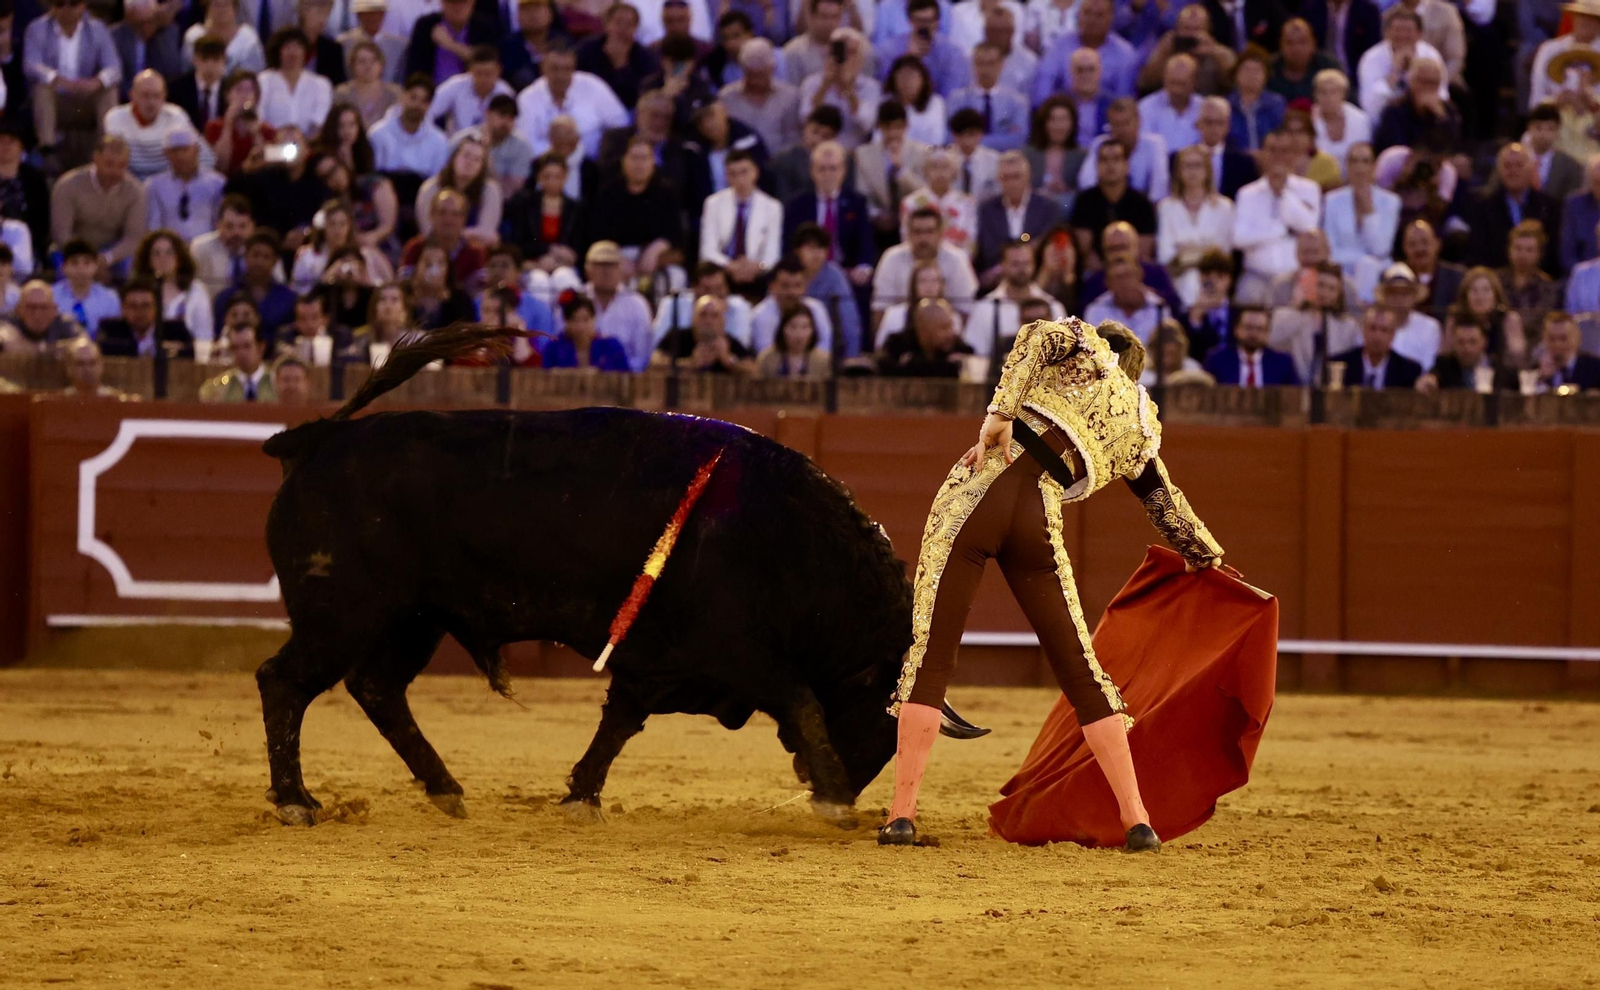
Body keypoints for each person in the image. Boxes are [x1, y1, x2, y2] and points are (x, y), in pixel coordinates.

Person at [880, 313, 1221, 852]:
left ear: (1103, 346)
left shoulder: (1081, 346)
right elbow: (1164, 503)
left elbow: (1038, 334)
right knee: (1082, 669)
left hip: (980, 490)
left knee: (932, 656)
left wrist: (999, 414)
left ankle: (901, 817)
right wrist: (1206, 555)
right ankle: (1138, 822)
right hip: (1039, 519)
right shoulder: (1138, 424)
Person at [1232, 128, 1322, 305]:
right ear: (1262, 154)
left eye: (1284, 151)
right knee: (1245, 297)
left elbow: (1309, 229)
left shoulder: (1309, 189)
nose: (1278, 156)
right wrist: (1280, 231)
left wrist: (1284, 192)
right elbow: (1239, 239)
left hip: (1295, 275)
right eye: (1272, 150)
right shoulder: (1247, 193)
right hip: (1257, 275)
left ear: (1294, 155)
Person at [24, 0, 123, 157]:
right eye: (60, 4)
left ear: (83, 5)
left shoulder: (97, 28)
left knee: (109, 90)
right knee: (42, 89)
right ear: (52, 7)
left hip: (86, 99)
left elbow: (114, 67)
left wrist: (96, 82)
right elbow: (31, 64)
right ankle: (47, 149)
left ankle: (107, 149)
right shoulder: (37, 28)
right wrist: (58, 80)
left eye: (73, 4)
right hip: (57, 100)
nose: (67, 9)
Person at [50, 136, 147, 272]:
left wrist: (107, 259)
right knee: (62, 264)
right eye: (109, 164)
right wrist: (85, 260)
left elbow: (133, 238)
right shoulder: (67, 185)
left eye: (121, 166)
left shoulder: (135, 191)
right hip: (73, 249)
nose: (115, 171)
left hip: (113, 252)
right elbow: (61, 233)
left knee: (130, 264)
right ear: (95, 158)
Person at [516, 44, 631, 159]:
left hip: (594, 162)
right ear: (543, 68)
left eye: (567, 69)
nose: (561, 76)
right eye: (555, 68)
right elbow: (526, 143)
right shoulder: (527, 98)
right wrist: (561, 151)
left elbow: (620, 124)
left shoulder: (593, 86)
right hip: (547, 163)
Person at [1158, 145, 1234, 307]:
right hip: (1178, 282)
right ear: (1178, 171)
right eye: (1187, 166)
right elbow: (1165, 256)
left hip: (1214, 281)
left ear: (1207, 170)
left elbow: (1223, 255)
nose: (1192, 171)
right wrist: (1206, 248)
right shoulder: (1166, 207)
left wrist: (1184, 251)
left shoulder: (1224, 207)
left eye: (1198, 165)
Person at [964, 239, 1066, 357]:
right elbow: (974, 355)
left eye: (1026, 263)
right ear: (1003, 265)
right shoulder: (985, 308)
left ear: (1034, 264)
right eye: (1015, 264)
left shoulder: (1053, 307)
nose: (1022, 269)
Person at [873, 205, 979, 317]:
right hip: (903, 324)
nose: (923, 238)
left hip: (947, 323)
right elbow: (880, 308)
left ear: (940, 234)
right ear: (908, 234)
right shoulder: (892, 258)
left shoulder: (957, 259)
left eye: (929, 231)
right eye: (917, 232)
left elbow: (966, 309)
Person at [1322, 142, 1398, 295]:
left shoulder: (1390, 201)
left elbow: (1381, 249)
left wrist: (1369, 211)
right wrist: (1360, 260)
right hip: (1341, 267)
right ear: (1347, 166)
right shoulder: (1332, 200)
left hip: (1377, 270)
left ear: (1373, 167)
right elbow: (1330, 247)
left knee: (1368, 266)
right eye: (1354, 161)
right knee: (1365, 264)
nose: (1359, 167)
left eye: (1365, 161)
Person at [1268, 260, 1361, 384]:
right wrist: (1301, 308)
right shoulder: (1285, 315)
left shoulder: (1348, 326)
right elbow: (1271, 341)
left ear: (1338, 295)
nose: (1325, 293)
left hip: (1332, 388)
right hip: (1292, 387)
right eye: (1320, 285)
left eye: (1332, 288)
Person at [1068, 140, 1157, 270]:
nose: (1110, 165)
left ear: (1126, 165)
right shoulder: (1085, 201)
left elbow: (1143, 251)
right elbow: (1084, 251)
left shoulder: (1142, 203)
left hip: (1132, 270)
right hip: (1096, 271)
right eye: (1104, 160)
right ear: (1097, 166)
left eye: (1116, 159)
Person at [103, 71, 202, 182]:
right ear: (132, 95)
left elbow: (204, 156)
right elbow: (115, 160)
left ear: (164, 96)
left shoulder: (176, 116)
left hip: (169, 184)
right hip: (128, 184)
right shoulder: (115, 117)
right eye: (145, 95)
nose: (151, 102)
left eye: (157, 96)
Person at [973, 151, 1060, 278]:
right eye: (1005, 178)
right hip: (997, 277)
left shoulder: (1048, 207)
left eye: (1016, 176)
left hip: (1038, 276)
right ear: (998, 179)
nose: (1011, 183)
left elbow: (1046, 244)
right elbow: (988, 250)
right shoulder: (986, 209)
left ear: (1028, 176)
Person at [1033, 0, 1137, 104]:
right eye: (1087, 12)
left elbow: (1124, 100)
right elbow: (1043, 87)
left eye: (1099, 15)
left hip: (1106, 112)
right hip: (1063, 110)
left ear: (1111, 18)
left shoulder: (1125, 54)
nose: (1092, 19)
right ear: (1078, 15)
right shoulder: (1060, 45)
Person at [699, 148, 782, 279]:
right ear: (726, 176)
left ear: (755, 172)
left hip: (757, 273)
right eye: (733, 174)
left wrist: (758, 266)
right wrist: (731, 266)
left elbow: (772, 255)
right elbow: (708, 250)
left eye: (744, 172)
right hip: (722, 271)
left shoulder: (772, 207)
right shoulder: (713, 203)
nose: (739, 179)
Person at [1356, 6, 1447, 121]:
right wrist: (1395, 72)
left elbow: (1442, 95)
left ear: (1419, 34)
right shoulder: (1371, 58)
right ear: (1386, 33)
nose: (1402, 35)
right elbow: (1369, 105)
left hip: (1425, 115)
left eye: (1408, 30)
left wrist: (1415, 69)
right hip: (1386, 120)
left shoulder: (1430, 54)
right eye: (1398, 30)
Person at [799, 27, 880, 149]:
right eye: (841, 51)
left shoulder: (871, 87)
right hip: (818, 151)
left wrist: (849, 89)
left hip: (853, 153)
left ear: (861, 59)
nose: (846, 57)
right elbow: (805, 118)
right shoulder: (812, 83)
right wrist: (825, 85)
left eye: (851, 52)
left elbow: (867, 124)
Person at [720, 37, 803, 156]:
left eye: (760, 75)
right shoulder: (727, 97)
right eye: (751, 75)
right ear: (742, 69)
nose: (755, 81)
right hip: (739, 162)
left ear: (772, 69)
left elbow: (793, 140)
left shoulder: (790, 97)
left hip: (780, 162)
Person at [1075, 98, 1170, 202]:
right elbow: (1086, 181)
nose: (1122, 129)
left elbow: (1160, 186)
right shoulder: (1100, 144)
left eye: (1126, 123)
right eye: (1116, 124)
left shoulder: (1154, 144)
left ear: (1138, 122)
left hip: (1144, 206)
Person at [417, 135, 504, 247]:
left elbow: (487, 233)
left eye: (477, 159)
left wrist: (452, 234)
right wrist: (470, 235)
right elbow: (428, 230)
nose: (470, 162)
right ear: (454, 157)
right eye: (466, 155)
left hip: (474, 249)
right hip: (435, 248)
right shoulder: (431, 188)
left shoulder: (490, 190)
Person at [582, 239, 655, 370]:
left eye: (612, 265)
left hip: (625, 376)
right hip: (578, 375)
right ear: (587, 270)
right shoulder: (576, 299)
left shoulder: (637, 304)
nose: (606, 271)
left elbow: (642, 355)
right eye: (600, 265)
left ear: (621, 269)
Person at [144, 129, 227, 245]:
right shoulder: (154, 185)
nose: (180, 156)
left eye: (185, 149)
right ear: (166, 154)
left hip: (207, 247)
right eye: (175, 151)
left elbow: (220, 222)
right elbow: (154, 226)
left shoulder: (216, 183)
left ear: (197, 150)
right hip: (170, 248)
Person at [502, 151, 581, 270]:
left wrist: (559, 260)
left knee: (563, 277)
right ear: (539, 177)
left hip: (563, 265)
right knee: (538, 279)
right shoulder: (525, 203)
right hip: (531, 263)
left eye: (557, 176)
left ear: (565, 177)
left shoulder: (575, 209)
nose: (552, 181)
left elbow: (578, 247)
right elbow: (519, 242)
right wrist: (549, 250)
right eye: (547, 176)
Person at [1137, 3, 1237, 95]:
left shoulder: (1218, 52)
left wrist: (1215, 53)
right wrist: (1163, 53)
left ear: (1207, 30)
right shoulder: (1167, 49)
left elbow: (1234, 84)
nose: (1191, 34)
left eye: (1197, 29)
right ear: (1177, 29)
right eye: (1186, 28)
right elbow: (1145, 83)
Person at [874, 0, 968, 97]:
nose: (924, 26)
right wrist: (909, 59)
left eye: (929, 21)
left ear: (937, 22)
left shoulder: (952, 53)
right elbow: (886, 90)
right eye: (919, 21)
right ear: (910, 21)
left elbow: (950, 94)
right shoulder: (889, 50)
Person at [946, 42, 1028, 152]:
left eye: (991, 63)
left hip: (1004, 158)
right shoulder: (957, 99)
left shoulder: (1017, 101)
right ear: (973, 64)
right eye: (980, 63)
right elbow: (950, 136)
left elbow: (1018, 139)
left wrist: (972, 141)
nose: (985, 69)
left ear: (1001, 65)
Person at [134, 231, 214, 346]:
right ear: (148, 260)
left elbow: (204, 337)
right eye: (156, 253)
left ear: (179, 258)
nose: (163, 258)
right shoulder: (137, 292)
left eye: (169, 252)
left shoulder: (196, 291)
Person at [369, 74, 453, 182]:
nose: (417, 105)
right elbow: (372, 178)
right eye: (413, 97)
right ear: (402, 97)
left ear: (429, 105)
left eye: (424, 101)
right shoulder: (378, 134)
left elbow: (436, 183)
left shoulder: (439, 142)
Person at [449, 95, 536, 197]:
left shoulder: (522, 147)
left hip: (498, 201)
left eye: (511, 118)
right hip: (457, 195)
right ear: (488, 113)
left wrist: (486, 155)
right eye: (502, 114)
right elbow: (446, 176)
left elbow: (510, 192)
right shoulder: (461, 140)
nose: (506, 122)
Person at [651, 293, 756, 373]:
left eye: (714, 316)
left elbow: (754, 371)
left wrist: (729, 361)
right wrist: (690, 363)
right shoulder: (677, 337)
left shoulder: (730, 343)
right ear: (693, 318)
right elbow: (654, 362)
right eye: (703, 315)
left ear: (723, 322)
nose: (708, 321)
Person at [899, 147, 976, 255]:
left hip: (957, 260)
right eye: (934, 167)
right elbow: (906, 240)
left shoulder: (967, 203)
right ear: (925, 171)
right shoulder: (911, 203)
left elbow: (970, 243)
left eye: (945, 167)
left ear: (954, 171)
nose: (940, 173)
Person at [97, 276, 196, 359]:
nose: (139, 311)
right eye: (133, 306)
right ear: (123, 309)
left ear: (156, 308)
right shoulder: (110, 330)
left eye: (146, 305)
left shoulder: (176, 330)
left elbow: (190, 352)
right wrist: (154, 348)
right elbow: (102, 349)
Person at [750, 255, 833, 352]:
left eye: (797, 285)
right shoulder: (761, 315)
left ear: (805, 286)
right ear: (772, 287)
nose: (792, 292)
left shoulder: (816, 309)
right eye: (785, 286)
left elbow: (825, 348)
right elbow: (766, 355)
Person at [258, 27, 333, 133]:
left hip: (308, 142)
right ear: (278, 51)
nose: (293, 52)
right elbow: (259, 117)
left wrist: (302, 140)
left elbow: (319, 122)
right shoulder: (263, 80)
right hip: (271, 140)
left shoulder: (321, 84)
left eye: (298, 46)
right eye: (287, 47)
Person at [1330, 302, 1422, 389]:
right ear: (1363, 330)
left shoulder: (1408, 371)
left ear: (1392, 335)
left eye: (1384, 330)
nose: (1377, 336)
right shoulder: (1339, 364)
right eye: (1372, 328)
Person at [407, 0, 499, 86]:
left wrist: (450, 44)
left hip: (473, 91)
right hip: (432, 91)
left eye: (463, 2)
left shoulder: (485, 27)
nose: (457, 7)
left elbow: (488, 63)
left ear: (472, 2)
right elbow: (414, 68)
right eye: (452, 2)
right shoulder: (426, 26)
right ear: (442, 2)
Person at [1202, 305, 1298, 386]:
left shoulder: (1283, 363)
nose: (1253, 334)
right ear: (1236, 330)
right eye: (1248, 327)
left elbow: (1295, 395)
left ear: (1267, 333)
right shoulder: (1217, 360)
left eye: (1259, 329)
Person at [116, 0, 189, 103]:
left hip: (160, 98)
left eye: (149, 21)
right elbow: (118, 77)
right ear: (128, 19)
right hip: (127, 98)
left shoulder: (168, 34)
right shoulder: (115, 37)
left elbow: (173, 71)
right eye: (139, 24)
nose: (145, 27)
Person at [878, 297, 972, 376]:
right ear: (923, 331)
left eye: (951, 326)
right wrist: (947, 366)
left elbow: (973, 364)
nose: (950, 333)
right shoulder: (898, 345)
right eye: (943, 328)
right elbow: (883, 366)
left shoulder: (958, 347)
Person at [206, 70, 276, 176]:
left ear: (256, 97)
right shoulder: (213, 127)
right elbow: (219, 167)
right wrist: (227, 127)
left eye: (249, 90)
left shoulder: (268, 130)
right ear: (227, 95)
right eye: (239, 89)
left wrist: (256, 134)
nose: (244, 95)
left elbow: (267, 168)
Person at [1497, 221, 1561, 334]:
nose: (1522, 255)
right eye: (1518, 248)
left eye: (1529, 250)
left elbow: (1540, 320)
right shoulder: (1496, 280)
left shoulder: (1547, 286)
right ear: (1509, 250)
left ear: (1539, 254)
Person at [540, 291, 631, 370]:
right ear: (566, 321)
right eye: (575, 320)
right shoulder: (553, 349)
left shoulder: (611, 347)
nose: (581, 326)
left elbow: (626, 376)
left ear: (594, 319)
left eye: (586, 319)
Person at [1083, 258, 1164, 343]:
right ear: (1108, 283)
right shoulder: (1096, 310)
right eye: (1119, 278)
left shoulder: (1159, 307)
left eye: (1128, 275)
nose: (1125, 282)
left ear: (1140, 275)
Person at [1138, 54, 1202, 158]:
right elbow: (1145, 149)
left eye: (1182, 84)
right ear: (1164, 79)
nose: (1176, 90)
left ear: (1195, 82)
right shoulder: (1146, 108)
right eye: (1172, 83)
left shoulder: (1204, 109)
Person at [52, 239, 121, 336]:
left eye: (87, 263)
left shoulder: (110, 298)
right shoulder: (51, 296)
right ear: (63, 267)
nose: (81, 269)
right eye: (74, 263)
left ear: (95, 266)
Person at [1023, 96, 1083, 205]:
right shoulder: (1027, 154)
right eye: (1052, 120)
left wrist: (1067, 190)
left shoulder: (1082, 156)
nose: (1058, 126)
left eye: (1063, 120)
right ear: (1043, 123)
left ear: (1072, 123)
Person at [1311, 69, 1370, 175]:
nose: (1328, 98)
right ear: (1315, 95)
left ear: (1343, 94)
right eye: (1323, 92)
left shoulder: (1360, 119)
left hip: (1353, 176)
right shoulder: (1309, 120)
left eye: (1334, 92)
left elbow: (1363, 155)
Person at [200, 322, 278, 401]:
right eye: (235, 348)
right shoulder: (217, 388)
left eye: (247, 346)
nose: (241, 353)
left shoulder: (277, 383)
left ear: (260, 348)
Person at [1267, 17, 1338, 105]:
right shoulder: (1268, 68)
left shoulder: (1328, 67)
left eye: (1303, 42)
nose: (1296, 48)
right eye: (1289, 43)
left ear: (1313, 44)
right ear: (1280, 45)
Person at [182, 0, 266, 74]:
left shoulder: (248, 38)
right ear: (207, 7)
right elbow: (185, 71)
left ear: (235, 8)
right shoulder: (193, 36)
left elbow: (257, 73)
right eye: (216, 4)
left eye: (226, 4)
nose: (222, 9)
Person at [1228, 45, 1285, 152]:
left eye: (1257, 70)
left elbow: (1281, 136)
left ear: (1266, 75)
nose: (1251, 75)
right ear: (1236, 74)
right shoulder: (1227, 105)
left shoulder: (1276, 104)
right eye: (1246, 70)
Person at [0, 280, 83, 352]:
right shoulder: (7, 322)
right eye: (31, 307)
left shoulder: (63, 323)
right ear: (19, 309)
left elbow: (83, 346)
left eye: (44, 308)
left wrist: (33, 348)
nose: (37, 314)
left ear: (53, 310)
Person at [334, 40, 404, 125]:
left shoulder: (394, 93)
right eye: (362, 61)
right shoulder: (342, 93)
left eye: (373, 60)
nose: (368, 66)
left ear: (381, 65)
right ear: (352, 66)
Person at [341, 0, 408, 86]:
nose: (373, 17)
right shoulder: (344, 43)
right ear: (359, 15)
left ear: (384, 14)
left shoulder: (399, 46)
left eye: (378, 12)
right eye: (367, 13)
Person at [755, 304, 830, 378]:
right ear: (782, 329)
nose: (799, 334)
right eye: (793, 327)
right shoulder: (766, 358)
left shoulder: (824, 360)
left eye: (805, 327)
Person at [350, 280, 418, 359]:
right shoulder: (363, 340)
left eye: (394, 300)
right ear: (374, 308)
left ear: (405, 309)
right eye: (382, 299)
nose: (388, 305)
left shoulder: (416, 341)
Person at [1536, 310, 1600, 390]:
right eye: (1551, 338)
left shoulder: (1595, 368)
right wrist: (1543, 378)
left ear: (1577, 339)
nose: (1557, 344)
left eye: (1563, 338)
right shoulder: (1535, 370)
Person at [947, 107, 1001, 201]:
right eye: (961, 134)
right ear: (954, 135)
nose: (966, 140)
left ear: (981, 134)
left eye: (971, 134)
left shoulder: (994, 159)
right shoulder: (946, 159)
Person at [60, 336, 134, 400]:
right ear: (69, 368)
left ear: (101, 365)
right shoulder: (59, 401)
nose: (87, 369)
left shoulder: (118, 401)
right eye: (80, 364)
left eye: (92, 363)